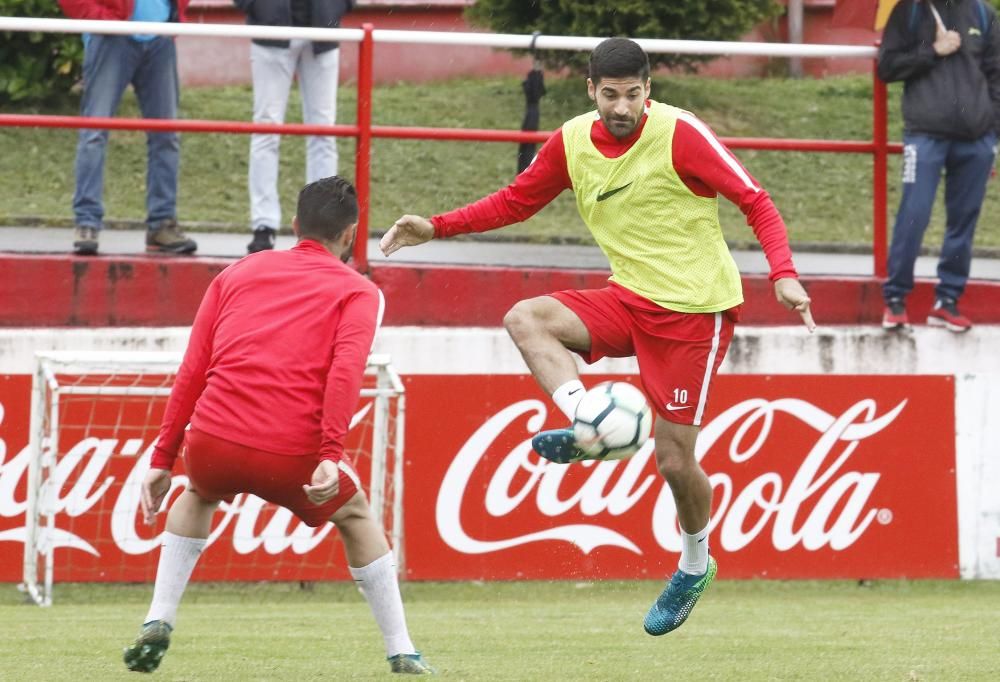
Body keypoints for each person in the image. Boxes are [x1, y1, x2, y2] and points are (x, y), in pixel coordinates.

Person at [380, 38, 814, 638]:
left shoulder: (680, 133)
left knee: (673, 459)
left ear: (648, 91)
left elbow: (755, 201)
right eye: (610, 95)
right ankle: (591, 420)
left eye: (633, 95)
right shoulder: (572, 141)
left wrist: (784, 276)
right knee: (525, 319)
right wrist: (437, 226)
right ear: (591, 90)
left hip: (695, 314)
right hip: (629, 299)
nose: (621, 107)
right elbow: (516, 201)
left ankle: (694, 564)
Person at [124, 177, 433, 675]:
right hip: (293, 452)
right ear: (351, 234)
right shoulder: (361, 292)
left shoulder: (237, 271)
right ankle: (402, 650)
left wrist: (162, 459)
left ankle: (158, 618)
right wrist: (331, 455)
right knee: (355, 515)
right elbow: (345, 373)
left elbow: (193, 367)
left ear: (294, 226)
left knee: (196, 494)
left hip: (212, 441)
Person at [878, 0, 1000, 333]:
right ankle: (896, 299)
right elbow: (886, 67)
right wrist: (933, 50)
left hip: (976, 139)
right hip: (925, 135)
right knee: (913, 215)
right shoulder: (909, 10)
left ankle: (948, 300)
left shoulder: (983, 14)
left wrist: (993, 135)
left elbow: (996, 74)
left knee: (963, 222)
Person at [59, 0, 198, 256]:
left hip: (160, 37)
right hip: (111, 37)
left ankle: (162, 224)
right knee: (94, 133)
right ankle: (87, 222)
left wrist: (174, 16)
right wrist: (101, 20)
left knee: (166, 136)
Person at [234, 0, 353, 254]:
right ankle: (263, 225)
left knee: (324, 132)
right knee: (266, 130)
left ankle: (324, 225)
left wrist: (335, 8)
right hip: (271, 29)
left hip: (323, 26)